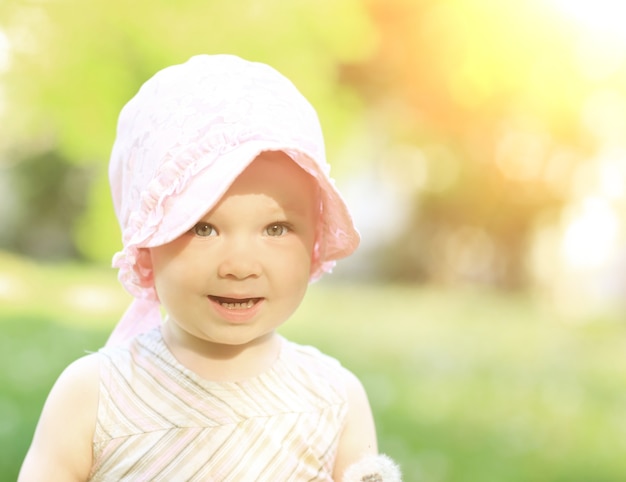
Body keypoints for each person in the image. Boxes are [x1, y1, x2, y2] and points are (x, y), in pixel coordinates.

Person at [19, 54, 401, 481]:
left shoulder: (333, 400)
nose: (239, 265)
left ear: (315, 239)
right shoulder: (93, 396)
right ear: (147, 243)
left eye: (276, 228)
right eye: (202, 227)